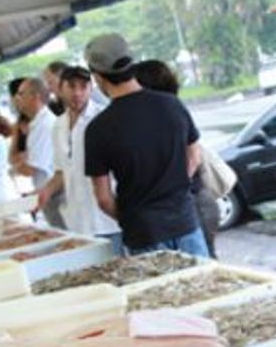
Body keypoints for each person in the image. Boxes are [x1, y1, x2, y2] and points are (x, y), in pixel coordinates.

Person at [83, 33, 209, 257]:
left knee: (159, 292)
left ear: (97, 77)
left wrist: (132, 218)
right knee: (209, 290)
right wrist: (175, 186)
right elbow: (194, 156)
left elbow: (103, 199)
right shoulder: (172, 104)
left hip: (144, 234)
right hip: (186, 222)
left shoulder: (98, 129)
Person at [135, 59, 224, 258]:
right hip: (194, 203)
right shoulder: (168, 110)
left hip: (193, 204)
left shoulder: (169, 112)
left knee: (204, 269)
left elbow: (191, 159)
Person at [36, 65, 122, 250]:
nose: (78, 93)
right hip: (77, 221)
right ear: (60, 89)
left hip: (108, 219)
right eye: (72, 86)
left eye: (83, 87)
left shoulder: (104, 118)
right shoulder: (58, 125)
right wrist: (45, 192)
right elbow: (62, 171)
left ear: (91, 89)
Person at [13, 76, 65, 226]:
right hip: (47, 192)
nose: (17, 98)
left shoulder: (44, 125)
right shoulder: (37, 123)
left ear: (35, 96)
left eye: (21, 94)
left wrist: (17, 166)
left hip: (53, 194)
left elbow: (29, 169)